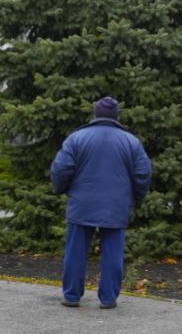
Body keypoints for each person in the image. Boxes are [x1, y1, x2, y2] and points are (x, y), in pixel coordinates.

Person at [50, 97, 152, 309]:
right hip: (116, 204)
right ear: (117, 116)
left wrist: (63, 189)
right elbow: (143, 173)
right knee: (113, 253)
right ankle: (108, 298)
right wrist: (136, 197)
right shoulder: (131, 141)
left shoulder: (76, 138)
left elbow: (61, 169)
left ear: (95, 114)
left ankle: (71, 296)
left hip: (82, 202)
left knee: (76, 252)